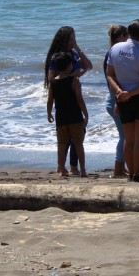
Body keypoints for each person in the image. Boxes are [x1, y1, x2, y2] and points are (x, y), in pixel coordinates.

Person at [105, 19, 139, 181]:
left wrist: (119, 91)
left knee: (129, 139)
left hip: (122, 97)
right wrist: (131, 93)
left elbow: (109, 74)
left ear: (128, 32)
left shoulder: (115, 49)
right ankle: (137, 174)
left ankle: (131, 173)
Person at [43, 26, 92, 175]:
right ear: (63, 39)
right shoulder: (57, 57)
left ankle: (72, 166)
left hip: (72, 95)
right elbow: (51, 78)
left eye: (74, 38)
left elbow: (88, 66)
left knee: (75, 138)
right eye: (70, 39)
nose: (72, 41)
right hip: (65, 99)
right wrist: (70, 75)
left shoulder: (74, 53)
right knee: (68, 139)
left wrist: (77, 47)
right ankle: (65, 167)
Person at [102, 24, 129, 178]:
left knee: (124, 135)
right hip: (115, 99)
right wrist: (118, 102)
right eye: (126, 36)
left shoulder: (113, 53)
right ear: (120, 37)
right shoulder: (112, 54)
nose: (129, 39)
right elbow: (111, 80)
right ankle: (118, 169)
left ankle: (121, 167)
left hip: (115, 98)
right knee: (124, 136)